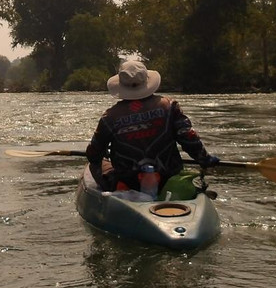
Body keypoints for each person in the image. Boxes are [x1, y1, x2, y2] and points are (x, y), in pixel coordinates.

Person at [85, 59, 220, 196]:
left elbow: (93, 154)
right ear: (146, 81)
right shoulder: (170, 106)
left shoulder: (110, 117)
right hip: (167, 178)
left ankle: (120, 187)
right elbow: (189, 138)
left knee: (97, 164)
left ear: (121, 85)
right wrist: (204, 159)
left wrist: (104, 154)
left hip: (130, 181)